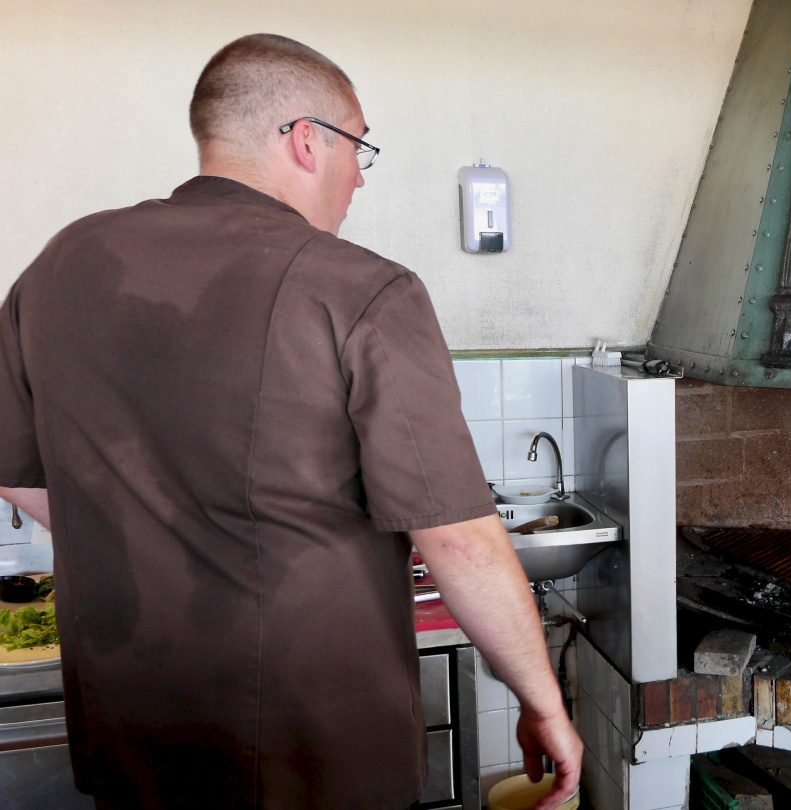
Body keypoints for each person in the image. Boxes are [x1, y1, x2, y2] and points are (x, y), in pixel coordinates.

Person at [0, 33, 581, 809]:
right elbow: (458, 538)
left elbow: (15, 470)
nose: (359, 180)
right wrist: (543, 702)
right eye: (359, 148)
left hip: (134, 744)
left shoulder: (60, 265)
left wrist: (146, 536)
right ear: (308, 141)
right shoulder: (361, 290)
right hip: (314, 753)